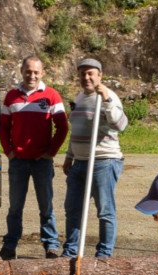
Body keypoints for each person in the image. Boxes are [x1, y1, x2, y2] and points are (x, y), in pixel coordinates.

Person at [0, 56, 69, 260]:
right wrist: (8, 151)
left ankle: (51, 246)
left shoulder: (52, 95)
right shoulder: (11, 96)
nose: (32, 75)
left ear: (42, 73)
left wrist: (51, 152)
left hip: (41, 162)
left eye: (36, 72)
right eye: (28, 71)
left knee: (46, 206)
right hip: (18, 160)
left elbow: (62, 127)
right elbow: (3, 127)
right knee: (15, 207)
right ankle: (9, 247)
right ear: (21, 71)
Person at [61, 58, 128, 258]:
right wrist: (69, 156)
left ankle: (104, 255)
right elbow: (76, 130)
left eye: (91, 73)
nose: (86, 77)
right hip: (79, 162)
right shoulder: (79, 97)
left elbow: (120, 125)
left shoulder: (110, 97)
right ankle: (71, 252)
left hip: (104, 161)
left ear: (100, 75)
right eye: (83, 73)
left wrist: (106, 99)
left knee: (105, 210)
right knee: (73, 209)